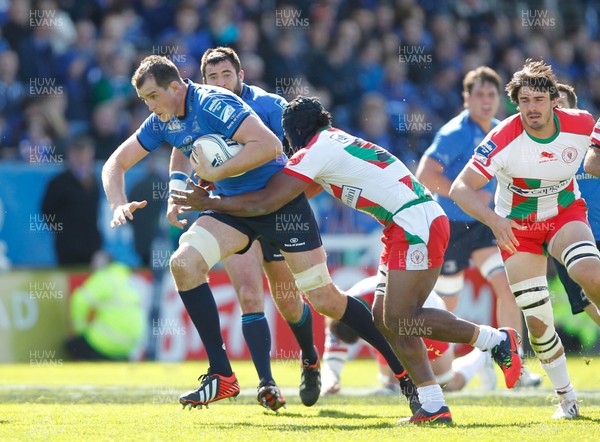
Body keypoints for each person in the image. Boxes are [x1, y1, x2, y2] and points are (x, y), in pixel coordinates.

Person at [172, 96, 523, 425]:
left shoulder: (315, 151)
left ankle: (495, 341)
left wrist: (212, 203)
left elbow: (269, 201)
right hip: (406, 223)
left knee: (401, 317)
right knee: (385, 320)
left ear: (294, 134)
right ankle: (433, 405)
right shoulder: (332, 142)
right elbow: (288, 195)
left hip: (415, 223)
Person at [102, 56, 420, 415]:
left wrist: (217, 170)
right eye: (145, 99)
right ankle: (222, 375)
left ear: (175, 87)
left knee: (324, 300)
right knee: (184, 263)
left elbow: (270, 147)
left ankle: (403, 372)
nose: (149, 105)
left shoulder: (216, 103)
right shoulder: (165, 116)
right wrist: (118, 203)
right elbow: (116, 161)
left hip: (279, 206)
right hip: (231, 208)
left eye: (152, 96)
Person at [169, 46, 319, 411]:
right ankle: (266, 384)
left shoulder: (269, 107)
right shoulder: (199, 110)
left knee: (287, 301)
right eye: (213, 78)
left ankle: (310, 357)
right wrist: (177, 191)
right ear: (204, 83)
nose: (221, 82)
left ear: (241, 76)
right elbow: (180, 145)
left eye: (227, 75)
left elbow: (308, 154)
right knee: (250, 296)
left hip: (276, 211)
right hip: (232, 212)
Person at [449, 60, 600, 419]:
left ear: (554, 101)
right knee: (537, 321)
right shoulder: (502, 137)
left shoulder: (580, 123)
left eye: (539, 99)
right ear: (517, 104)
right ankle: (567, 400)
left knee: (590, 272)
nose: (532, 107)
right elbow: (459, 188)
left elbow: (594, 160)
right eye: (525, 100)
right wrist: (494, 221)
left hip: (565, 213)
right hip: (518, 228)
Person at [416, 66, 541, 388]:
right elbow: (425, 175)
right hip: (452, 227)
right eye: (479, 94)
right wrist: (467, 195)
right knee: (447, 306)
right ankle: (440, 369)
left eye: (491, 94)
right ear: (466, 98)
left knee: (508, 288)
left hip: (485, 224)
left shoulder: (503, 130)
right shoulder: (455, 132)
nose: (486, 101)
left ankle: (517, 365)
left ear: (500, 99)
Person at [321, 276, 495, 395]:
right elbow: (332, 360)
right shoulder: (339, 313)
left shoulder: (377, 309)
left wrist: (396, 380)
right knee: (393, 384)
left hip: (423, 314)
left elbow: (399, 338)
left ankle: (481, 357)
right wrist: (330, 382)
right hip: (396, 316)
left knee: (443, 384)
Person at [550, 83, 600, 326]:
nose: (557, 111)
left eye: (562, 106)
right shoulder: (540, 152)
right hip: (567, 236)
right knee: (584, 300)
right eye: (553, 107)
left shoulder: (593, 145)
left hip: (596, 233)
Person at [65, 251, 146, 360]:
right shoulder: (125, 276)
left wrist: (80, 330)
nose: (92, 266)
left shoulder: (105, 276)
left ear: (106, 264)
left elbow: (79, 300)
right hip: (130, 345)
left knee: (72, 346)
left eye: (95, 262)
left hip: (107, 341)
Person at [41, 135, 102, 266]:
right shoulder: (58, 183)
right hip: (68, 247)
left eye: (86, 155)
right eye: (78, 155)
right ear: (71, 155)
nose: (82, 160)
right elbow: (46, 210)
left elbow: (94, 214)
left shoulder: (94, 182)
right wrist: (63, 231)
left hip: (91, 246)